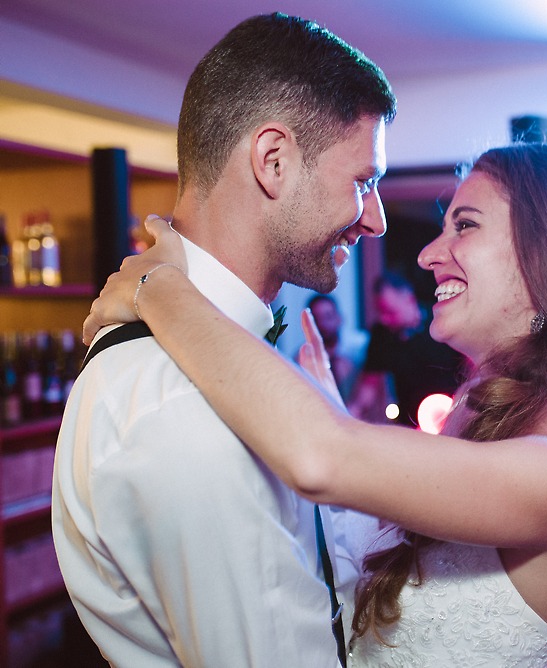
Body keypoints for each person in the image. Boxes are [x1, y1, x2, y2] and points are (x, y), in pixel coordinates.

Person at [82, 142, 547, 666]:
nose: (427, 254)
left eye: (464, 226)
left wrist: (158, 287)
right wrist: (331, 412)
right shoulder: (481, 406)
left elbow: (321, 460)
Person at [50, 13, 396, 667]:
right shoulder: (181, 401)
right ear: (273, 161)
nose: (375, 219)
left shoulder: (245, 360)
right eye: (363, 181)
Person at [349, 271, 464, 426]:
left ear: (409, 300)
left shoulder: (440, 320)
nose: (384, 319)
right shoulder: (381, 334)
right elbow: (370, 383)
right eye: (380, 312)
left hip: (452, 419)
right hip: (409, 424)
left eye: (389, 311)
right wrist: (350, 413)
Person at [307, 292, 357, 394]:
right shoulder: (302, 360)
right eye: (317, 319)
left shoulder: (358, 353)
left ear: (339, 318)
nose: (323, 324)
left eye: (328, 317)